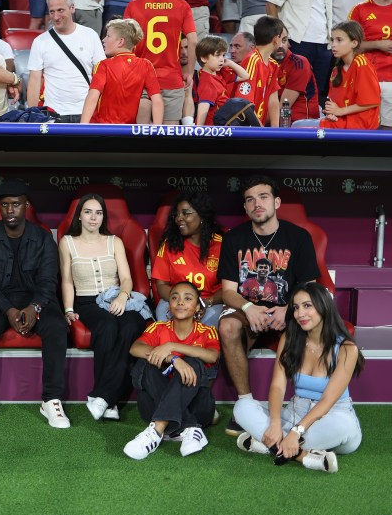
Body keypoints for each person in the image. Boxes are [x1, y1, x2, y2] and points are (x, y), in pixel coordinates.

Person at [217, 175, 320, 435]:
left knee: (313, 323)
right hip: (249, 311)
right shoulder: (234, 239)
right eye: (250, 199)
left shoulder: (298, 237)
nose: (257, 204)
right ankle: (246, 406)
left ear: (276, 202)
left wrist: (288, 310)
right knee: (228, 326)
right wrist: (249, 309)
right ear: (245, 207)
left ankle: (305, 404)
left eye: (263, 197)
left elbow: (309, 286)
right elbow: (228, 292)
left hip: (287, 309)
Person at [0, 179, 71, 432]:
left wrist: (34, 308)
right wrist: (9, 310)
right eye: (4, 205)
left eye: (16, 204)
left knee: (57, 325)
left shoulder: (44, 239)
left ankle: (51, 399)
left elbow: (47, 282)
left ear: (27, 206)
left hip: (37, 299)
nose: (10, 210)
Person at [233, 281, 362, 474]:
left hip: (333, 416)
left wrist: (296, 431)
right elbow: (277, 386)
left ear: (323, 306)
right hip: (295, 412)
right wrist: (276, 423)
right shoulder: (290, 338)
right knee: (242, 407)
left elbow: (327, 400)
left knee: (344, 426)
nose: (300, 314)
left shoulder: (346, 349)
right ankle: (305, 457)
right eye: (296, 307)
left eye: (307, 306)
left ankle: (270, 445)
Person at [59, 193, 148, 421]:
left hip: (117, 297)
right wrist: (69, 309)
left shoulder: (114, 241)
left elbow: (126, 278)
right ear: (79, 216)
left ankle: (103, 397)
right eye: (88, 212)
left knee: (132, 326)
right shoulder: (68, 242)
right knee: (107, 325)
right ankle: (110, 400)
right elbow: (67, 281)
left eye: (98, 213)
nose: (93, 218)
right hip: (88, 301)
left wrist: (122, 297)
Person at [123, 281, 220, 460]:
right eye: (174, 298)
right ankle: (190, 428)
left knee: (194, 362)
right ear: (169, 305)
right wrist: (172, 359)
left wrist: (172, 346)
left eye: (187, 298)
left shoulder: (207, 332)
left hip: (198, 408)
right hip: (153, 406)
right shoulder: (159, 328)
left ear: (198, 306)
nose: (180, 302)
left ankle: (157, 430)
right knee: (146, 363)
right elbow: (135, 348)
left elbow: (212, 356)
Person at [124, 0, 198, 126]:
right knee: (169, 137)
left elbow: (125, 44)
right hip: (171, 78)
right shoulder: (182, 6)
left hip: (140, 78)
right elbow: (193, 40)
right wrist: (190, 72)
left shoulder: (133, 6)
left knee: (140, 134)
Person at [266, 0, 339, 107]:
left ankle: (310, 127)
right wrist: (280, 38)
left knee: (316, 93)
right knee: (291, 90)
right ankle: (283, 128)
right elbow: (271, 4)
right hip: (297, 43)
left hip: (323, 47)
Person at [27, 0, 104, 122]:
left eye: (60, 10)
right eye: (52, 12)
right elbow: (34, 82)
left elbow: (101, 75)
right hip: (53, 114)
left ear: (72, 8)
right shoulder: (40, 42)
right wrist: (33, 117)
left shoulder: (90, 35)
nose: (56, 17)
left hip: (86, 112)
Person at [152, 192, 225, 326]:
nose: (179, 218)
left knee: (208, 329)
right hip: (174, 302)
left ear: (202, 215)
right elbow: (161, 285)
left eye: (186, 213)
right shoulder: (170, 244)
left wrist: (205, 302)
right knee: (165, 320)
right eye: (177, 214)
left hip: (210, 303)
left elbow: (228, 288)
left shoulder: (221, 245)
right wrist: (183, 301)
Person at [81, 18, 163, 124]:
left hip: (102, 131)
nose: (104, 40)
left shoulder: (104, 65)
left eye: (108, 36)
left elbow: (93, 96)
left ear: (120, 42)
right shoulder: (146, 65)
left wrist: (83, 128)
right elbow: (157, 101)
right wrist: (157, 130)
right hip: (128, 133)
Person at [349, 0, 392, 130]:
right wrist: (378, 44)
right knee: (365, 129)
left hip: (391, 81)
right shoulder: (359, 10)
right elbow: (347, 46)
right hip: (366, 79)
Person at [320, 20, 381, 129]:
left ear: (354, 43)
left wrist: (340, 111)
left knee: (299, 126)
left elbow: (372, 102)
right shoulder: (335, 70)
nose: (333, 45)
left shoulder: (362, 65)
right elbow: (332, 104)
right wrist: (331, 114)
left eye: (339, 40)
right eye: (332, 40)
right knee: (299, 126)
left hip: (359, 125)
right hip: (340, 122)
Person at [234, 15, 283, 125]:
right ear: (276, 39)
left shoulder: (273, 65)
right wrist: (260, 130)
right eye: (281, 38)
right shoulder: (252, 61)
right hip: (245, 129)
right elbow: (245, 104)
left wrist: (276, 133)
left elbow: (273, 101)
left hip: (258, 128)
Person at [193, 34, 250, 124]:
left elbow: (245, 76)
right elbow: (203, 108)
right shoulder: (207, 81)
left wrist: (230, 63)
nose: (222, 60)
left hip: (225, 123)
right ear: (204, 58)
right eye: (217, 55)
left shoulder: (221, 73)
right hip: (214, 128)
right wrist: (199, 131)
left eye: (223, 55)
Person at [271, 26, 320, 122]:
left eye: (284, 40)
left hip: (301, 124)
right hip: (276, 122)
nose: (281, 45)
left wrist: (256, 121)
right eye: (276, 41)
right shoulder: (263, 64)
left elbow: (283, 107)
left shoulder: (299, 63)